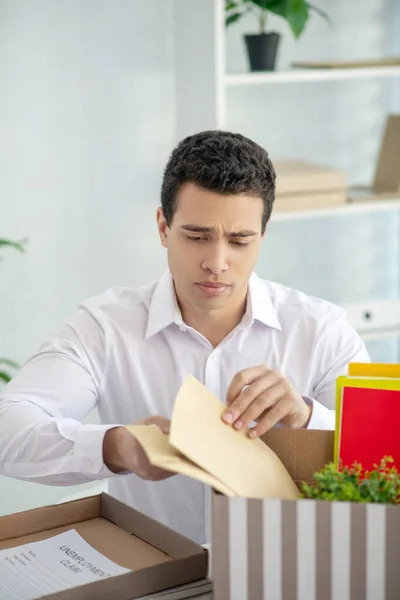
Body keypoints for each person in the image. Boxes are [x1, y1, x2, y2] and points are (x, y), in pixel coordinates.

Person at [0, 130, 369, 544]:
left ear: (262, 239)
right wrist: (117, 446)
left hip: (286, 572)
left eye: (239, 241)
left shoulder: (321, 331)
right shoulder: (105, 327)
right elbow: (7, 428)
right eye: (197, 237)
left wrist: (306, 419)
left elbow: (380, 463)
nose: (216, 262)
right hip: (156, 576)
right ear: (163, 227)